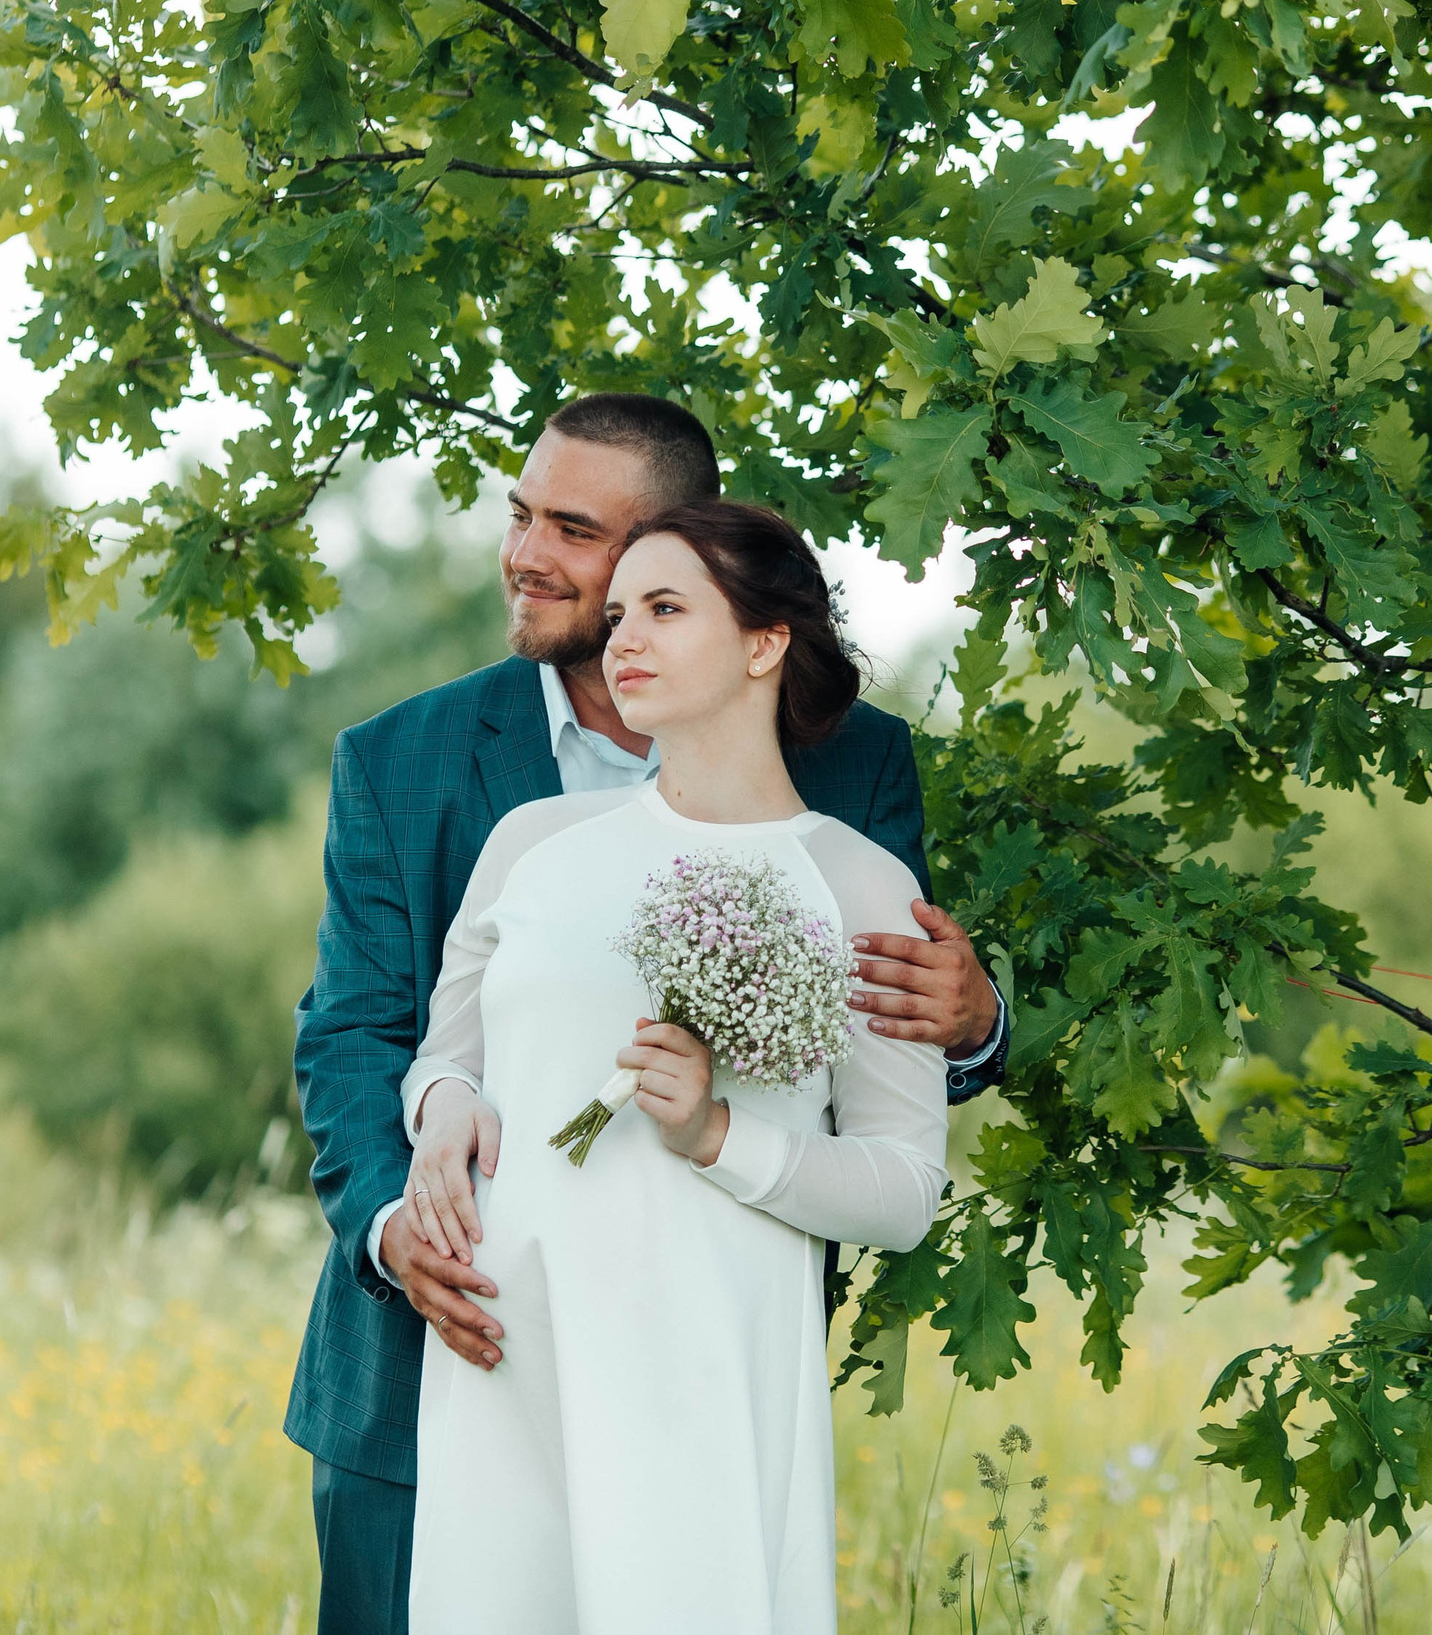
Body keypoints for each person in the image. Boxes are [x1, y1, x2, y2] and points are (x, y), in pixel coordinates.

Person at [284, 394, 1008, 1635]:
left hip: (700, 1369)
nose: (525, 553)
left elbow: (881, 1057)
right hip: (438, 1363)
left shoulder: (850, 769)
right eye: (520, 515)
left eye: (573, 528)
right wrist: (402, 1214)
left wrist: (975, 1018)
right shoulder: (410, 762)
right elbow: (358, 1034)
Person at [395, 502, 949, 1633]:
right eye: (614, 615)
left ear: (762, 642)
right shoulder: (532, 846)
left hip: (702, 1361)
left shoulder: (858, 886)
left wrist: (714, 1134)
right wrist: (442, 1108)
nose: (621, 640)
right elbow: (441, 1061)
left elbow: (902, 1192)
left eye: (662, 608)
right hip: (510, 1351)